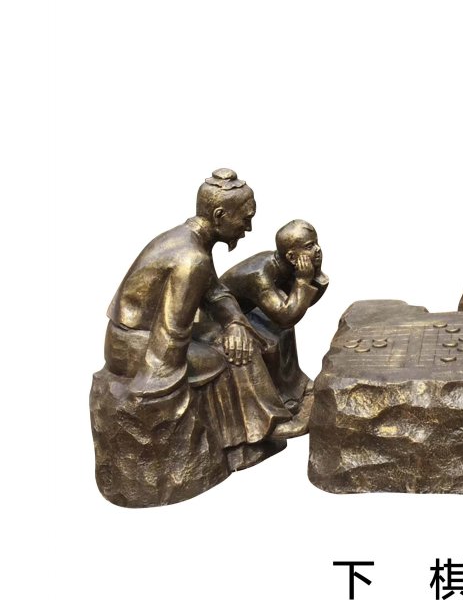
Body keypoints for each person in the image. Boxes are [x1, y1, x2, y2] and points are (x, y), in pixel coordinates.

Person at [92, 169, 291, 506]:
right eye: (245, 218)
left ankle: (261, 424)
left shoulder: (192, 241)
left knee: (237, 336)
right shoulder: (191, 258)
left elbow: (215, 293)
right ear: (219, 215)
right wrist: (161, 389)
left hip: (145, 335)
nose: (249, 227)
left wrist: (235, 323)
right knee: (229, 354)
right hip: (136, 347)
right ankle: (253, 433)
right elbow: (172, 334)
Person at [220, 220, 328, 429]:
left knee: (283, 331)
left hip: (248, 311)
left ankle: (293, 389)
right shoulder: (259, 274)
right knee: (271, 339)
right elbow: (286, 316)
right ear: (291, 256)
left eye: (316, 243)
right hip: (221, 318)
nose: (317, 249)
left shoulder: (284, 264)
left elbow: (299, 306)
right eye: (309, 246)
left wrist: (314, 274)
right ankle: (279, 400)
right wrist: (303, 281)